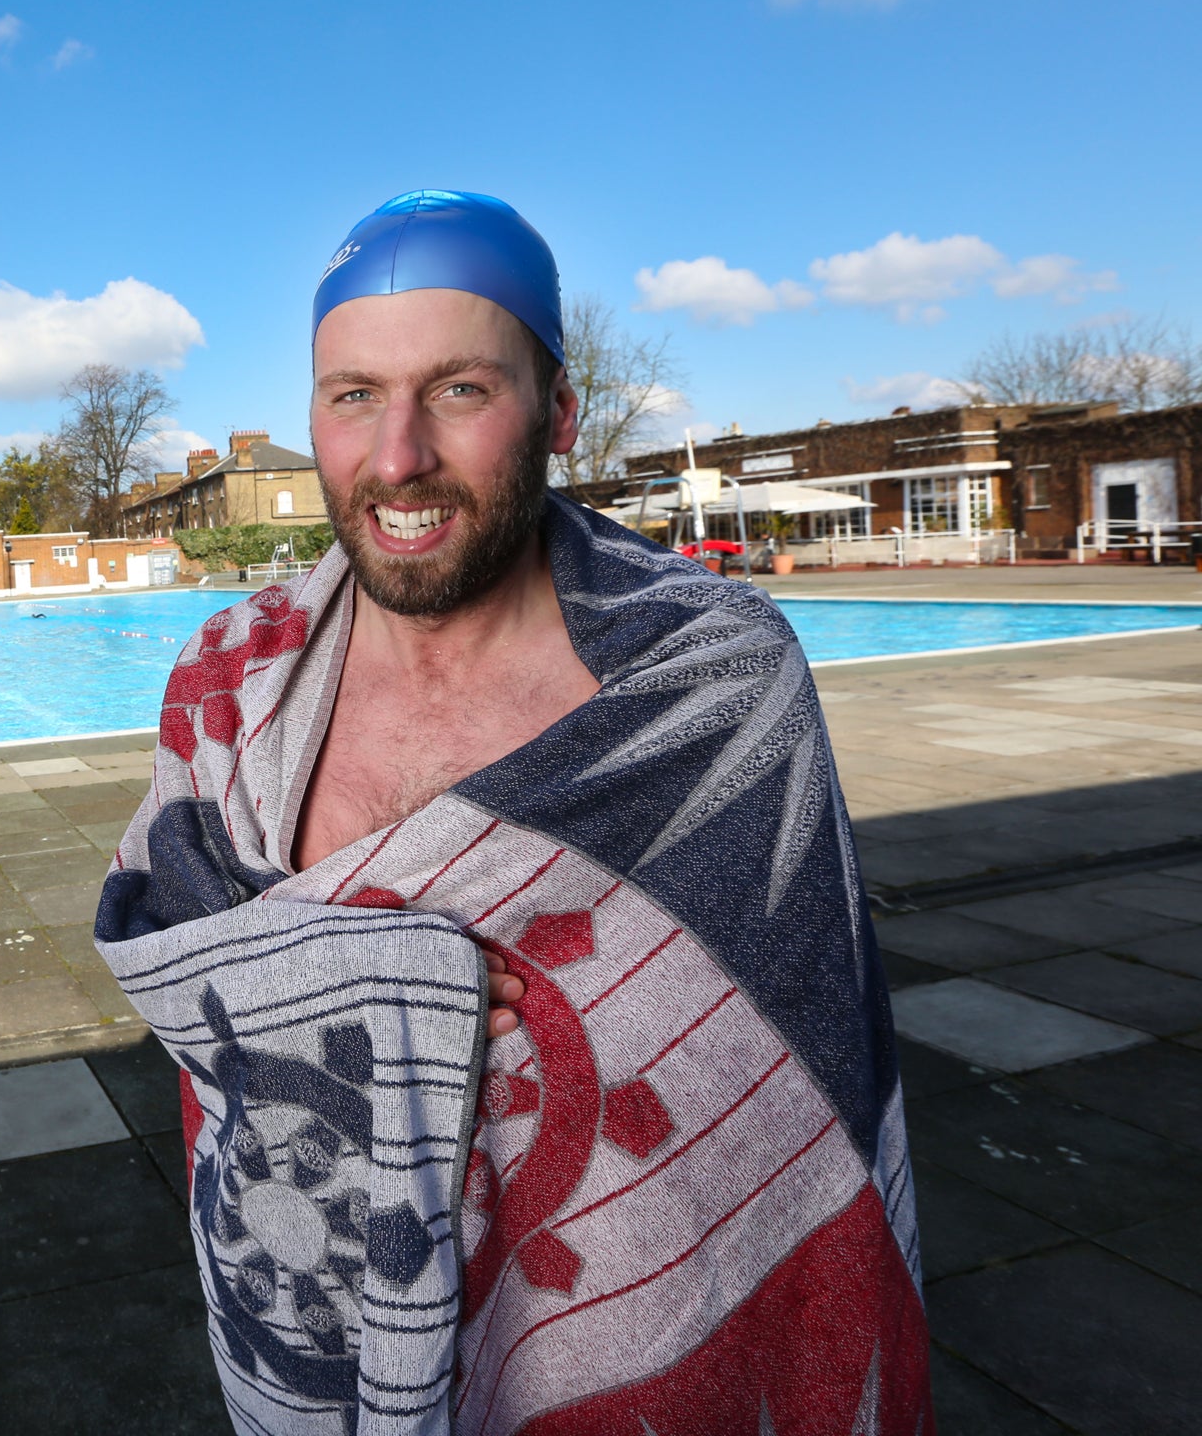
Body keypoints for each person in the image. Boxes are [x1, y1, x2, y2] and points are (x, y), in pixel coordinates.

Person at [95, 191, 929, 1433]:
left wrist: (360, 985)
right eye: (351, 396)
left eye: (459, 392)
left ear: (559, 414)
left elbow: (777, 1081)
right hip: (323, 1321)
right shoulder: (228, 686)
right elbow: (173, 951)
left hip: (630, 1344)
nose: (395, 459)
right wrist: (371, 974)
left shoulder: (706, 685)